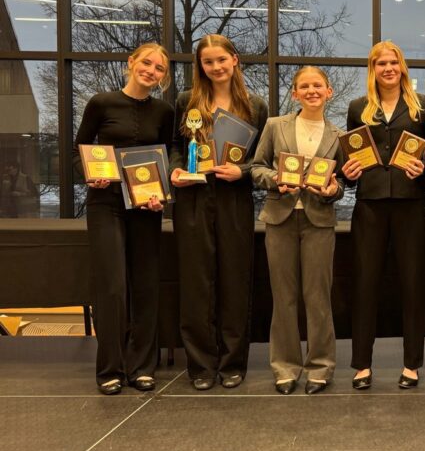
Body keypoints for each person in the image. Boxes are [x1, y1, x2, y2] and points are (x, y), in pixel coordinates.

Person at [73, 42, 174, 395]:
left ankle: (143, 367)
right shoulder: (101, 102)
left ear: (164, 76)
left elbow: (165, 157)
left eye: (159, 68)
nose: (151, 70)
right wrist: (88, 174)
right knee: (112, 287)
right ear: (131, 63)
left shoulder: (164, 111)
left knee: (145, 285)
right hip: (106, 204)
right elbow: (81, 149)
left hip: (145, 207)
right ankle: (110, 369)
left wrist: (160, 196)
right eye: (146, 63)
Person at [170, 34, 268, 391]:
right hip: (193, 197)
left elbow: (261, 159)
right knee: (197, 284)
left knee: (235, 281)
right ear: (201, 66)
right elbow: (175, 148)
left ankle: (232, 363)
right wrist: (175, 170)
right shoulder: (186, 101)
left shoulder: (255, 106)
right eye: (208, 62)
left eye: (221, 60)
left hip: (234, 199)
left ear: (234, 60)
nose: (215, 67)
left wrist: (240, 172)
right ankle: (199, 365)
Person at [343, 41, 425, 390]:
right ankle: (361, 365)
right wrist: (347, 169)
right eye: (380, 63)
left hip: (411, 204)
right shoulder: (357, 107)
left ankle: (411, 364)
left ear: (402, 67)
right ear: (373, 69)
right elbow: (350, 154)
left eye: (393, 62)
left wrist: (423, 166)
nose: (387, 68)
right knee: (365, 284)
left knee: (413, 285)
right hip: (369, 204)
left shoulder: (423, 106)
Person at [251, 66, 344, 396]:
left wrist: (333, 191)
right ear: (295, 93)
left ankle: (320, 367)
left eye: (317, 85)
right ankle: (285, 368)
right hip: (280, 219)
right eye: (304, 86)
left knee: (318, 298)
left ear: (328, 91)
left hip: (319, 222)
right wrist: (275, 179)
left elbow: (342, 182)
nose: (311, 91)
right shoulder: (276, 126)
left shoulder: (337, 134)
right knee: (284, 298)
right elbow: (256, 167)